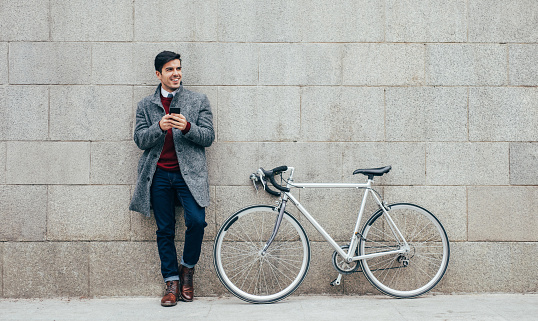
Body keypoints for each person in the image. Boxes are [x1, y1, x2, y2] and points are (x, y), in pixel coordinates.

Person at [129, 51, 214, 307]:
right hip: (159, 175)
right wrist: (159, 127)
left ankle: (187, 269)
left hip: (189, 176)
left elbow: (209, 137)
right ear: (158, 74)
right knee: (164, 230)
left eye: (178, 69)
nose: (176, 73)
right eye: (169, 70)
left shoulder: (198, 100)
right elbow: (139, 139)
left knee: (197, 222)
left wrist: (186, 127)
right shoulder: (146, 105)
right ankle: (172, 281)